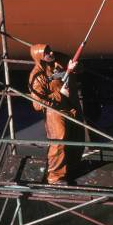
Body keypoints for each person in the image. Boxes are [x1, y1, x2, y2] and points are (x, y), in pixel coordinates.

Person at [28, 44, 84, 185]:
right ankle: (55, 177)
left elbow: (78, 69)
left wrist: (75, 68)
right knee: (59, 141)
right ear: (40, 57)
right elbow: (37, 104)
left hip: (71, 105)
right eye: (47, 52)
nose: (51, 52)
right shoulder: (37, 77)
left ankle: (72, 168)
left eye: (50, 49)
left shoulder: (59, 59)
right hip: (55, 112)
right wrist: (60, 94)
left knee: (78, 136)